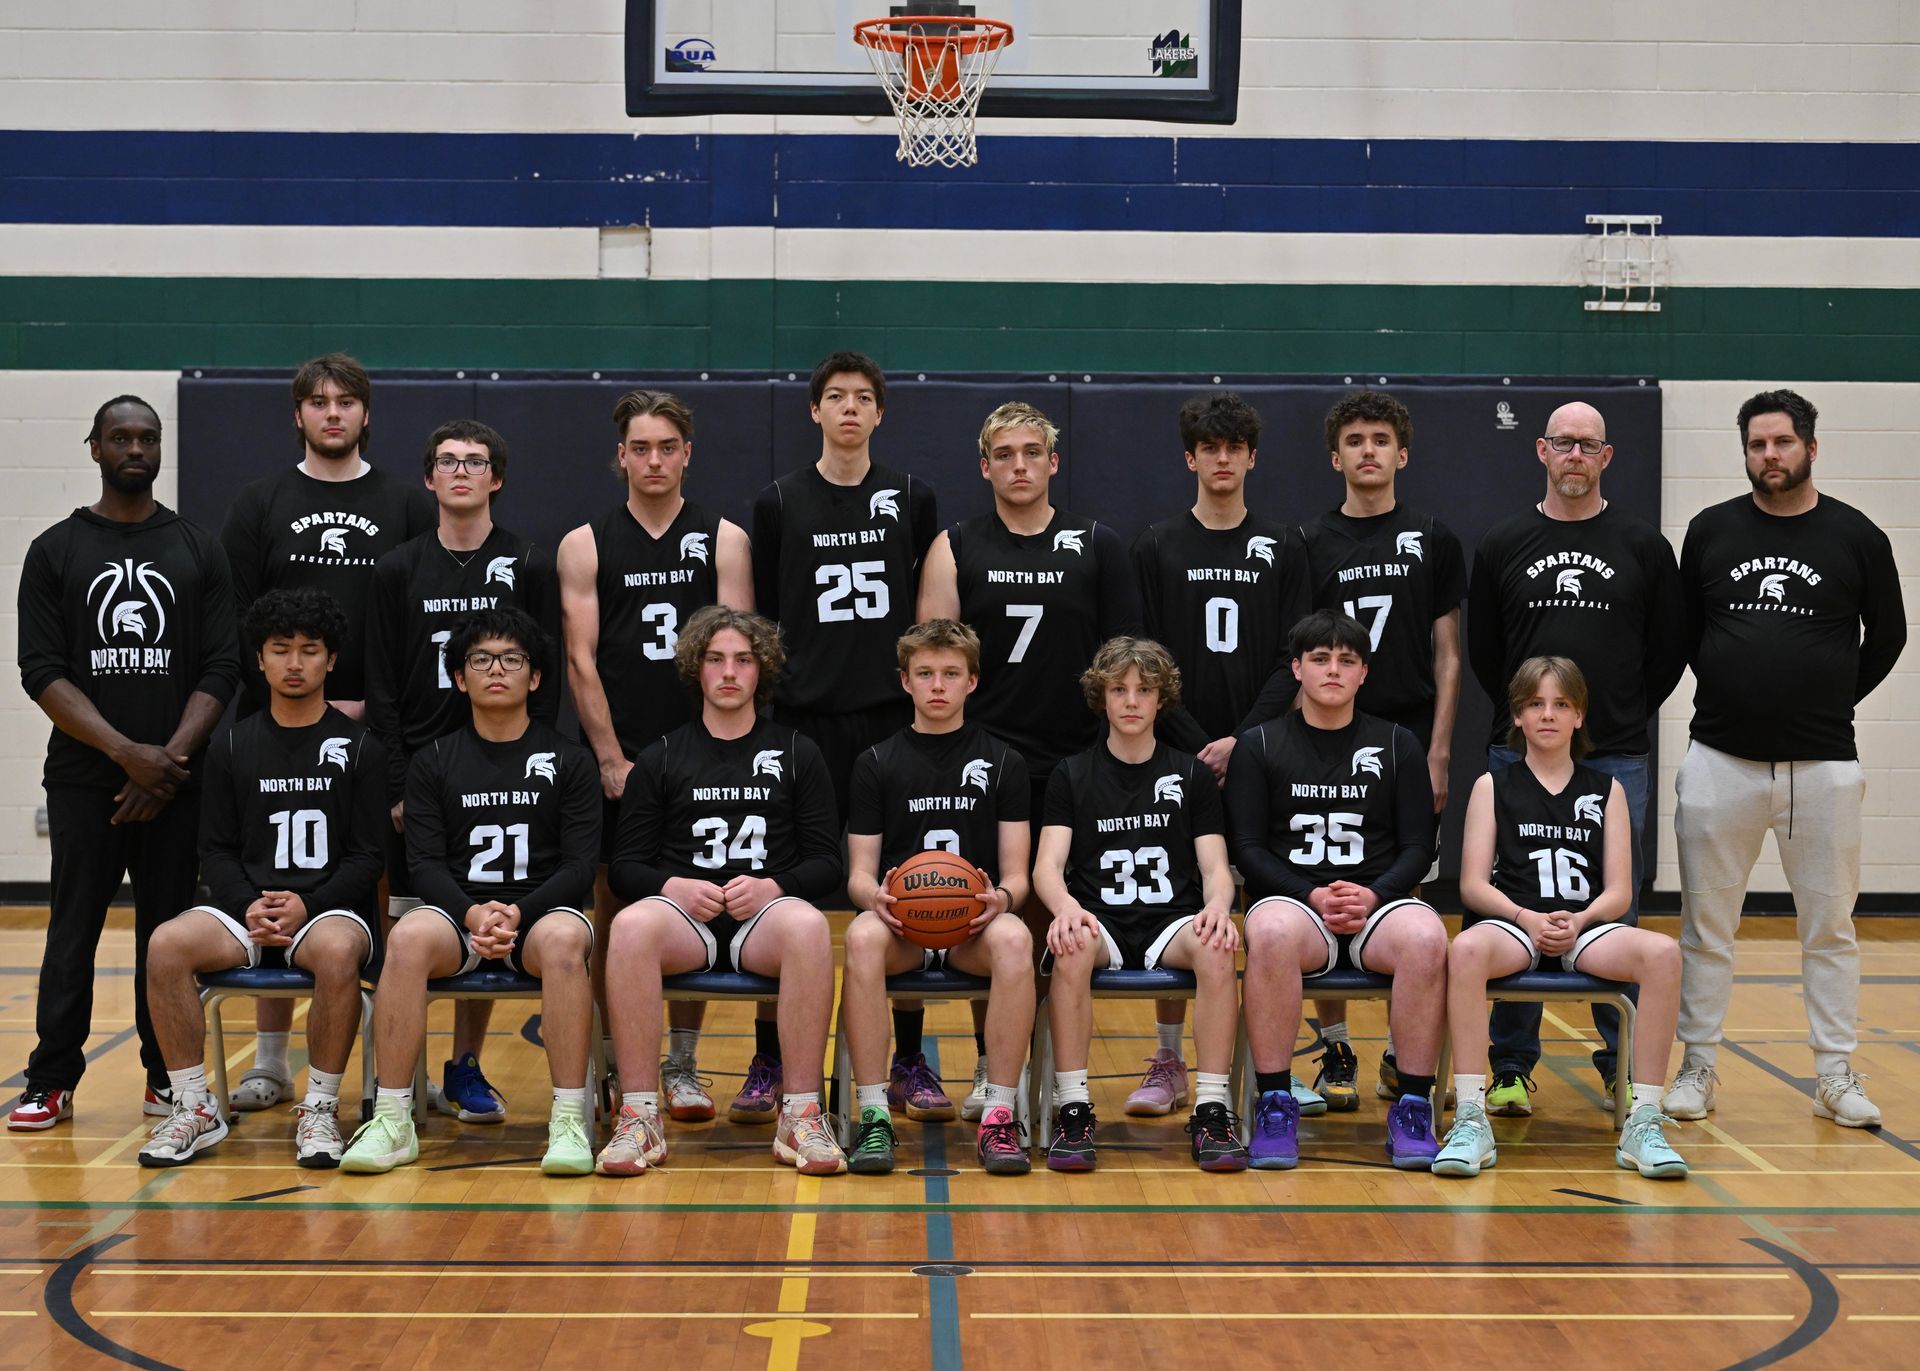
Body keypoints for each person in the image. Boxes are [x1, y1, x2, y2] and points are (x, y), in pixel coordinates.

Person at [1666, 390, 1906, 1129]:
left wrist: (1825, 698)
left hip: (1825, 765)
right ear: (1744, 452)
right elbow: (1687, 634)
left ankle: (1834, 1072)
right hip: (1720, 760)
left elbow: (1888, 638)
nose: (1769, 455)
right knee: (1707, 926)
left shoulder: (1857, 536)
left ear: (1810, 447)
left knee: (1829, 927)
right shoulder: (1709, 531)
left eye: (1782, 442)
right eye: (1756, 444)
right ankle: (1698, 1066)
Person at [9, 396, 240, 1130]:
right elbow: (41, 670)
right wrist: (125, 756)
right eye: (120, 437)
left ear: (160, 446)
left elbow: (222, 664)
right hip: (85, 781)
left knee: (165, 934)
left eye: (147, 437)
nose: (134, 448)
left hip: (178, 780)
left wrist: (166, 760)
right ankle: (50, 1078)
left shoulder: (199, 548)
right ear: (95, 448)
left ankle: (165, 1075)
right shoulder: (55, 550)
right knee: (73, 927)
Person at [219, 353, 434, 1113]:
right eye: (317, 402)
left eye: (346, 401)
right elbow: (244, 623)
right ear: (298, 416)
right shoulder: (259, 503)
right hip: (281, 721)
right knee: (273, 876)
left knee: (370, 895)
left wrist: (370, 715)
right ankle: (270, 1061)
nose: (332, 413)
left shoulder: (406, 502)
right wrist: (287, 711)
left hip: (375, 726)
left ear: (366, 414)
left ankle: (400, 1065)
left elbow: (409, 627)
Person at [919, 400, 1142, 1120]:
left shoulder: (1097, 543)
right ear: (985, 467)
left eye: (1032, 453)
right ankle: (996, 1066)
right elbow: (934, 657)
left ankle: (1056, 1073)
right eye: (1005, 454)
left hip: (1078, 758)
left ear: (1054, 462)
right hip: (986, 761)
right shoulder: (955, 545)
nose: (1020, 465)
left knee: (1063, 924)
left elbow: (1125, 657)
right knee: (991, 913)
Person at [1467, 401, 1685, 1116]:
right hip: (1517, 749)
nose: (1574, 455)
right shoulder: (1504, 541)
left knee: (1611, 904)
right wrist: (1534, 720)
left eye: (1588, 444)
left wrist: (1611, 716)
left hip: (1616, 753)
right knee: (1517, 895)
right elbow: (1487, 652)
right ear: (1541, 449)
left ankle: (1622, 1065)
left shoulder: (1644, 545)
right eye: (1563, 442)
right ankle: (1508, 1066)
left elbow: (1667, 652)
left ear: (1606, 457)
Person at [340, 608, 599, 1176]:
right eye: (481, 660)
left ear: (535, 677)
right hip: (460, 915)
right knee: (407, 938)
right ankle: (392, 1118)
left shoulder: (570, 761)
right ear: (459, 678)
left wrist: (518, 911)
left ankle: (569, 1119)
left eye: (512, 659)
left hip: (543, 914)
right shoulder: (432, 761)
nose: (496, 669)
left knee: (561, 942)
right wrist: (473, 911)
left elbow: (581, 865)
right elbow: (424, 862)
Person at [751, 354, 938, 1120]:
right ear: (814, 410)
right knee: (779, 886)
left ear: (880, 413)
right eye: (836, 397)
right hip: (800, 722)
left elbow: (927, 614)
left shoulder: (912, 498)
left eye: (864, 398)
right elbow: (760, 614)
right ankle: (768, 1056)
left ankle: (908, 1056)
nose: (850, 409)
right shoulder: (779, 502)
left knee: (906, 888)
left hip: (888, 721)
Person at [139, 589, 385, 1167]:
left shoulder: (361, 748)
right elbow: (216, 850)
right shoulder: (228, 744)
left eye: (309, 650)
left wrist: (309, 903)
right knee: (165, 943)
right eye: (280, 650)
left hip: (328, 908)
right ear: (260, 660)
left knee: (337, 950)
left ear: (331, 660)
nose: (294, 663)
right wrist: (249, 904)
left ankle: (320, 1110)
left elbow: (368, 856)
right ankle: (194, 1107)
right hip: (246, 907)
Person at [558, 390, 752, 1126]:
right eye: (640, 448)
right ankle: (615, 1059)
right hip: (620, 749)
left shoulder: (724, 538)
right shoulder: (587, 542)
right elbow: (580, 659)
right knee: (616, 902)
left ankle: (681, 1059)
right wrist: (610, 758)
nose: (654, 460)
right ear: (621, 456)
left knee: (699, 895)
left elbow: (740, 649)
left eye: (667, 446)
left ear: (687, 453)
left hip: (702, 754)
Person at [1270, 391, 1467, 1112]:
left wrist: (1439, 749)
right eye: (1354, 440)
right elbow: (1298, 650)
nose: (1369, 451)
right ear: (1335, 457)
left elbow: (1449, 655)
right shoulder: (1308, 540)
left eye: (1381, 439)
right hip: (1328, 728)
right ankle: (1338, 1043)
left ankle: (1400, 1049)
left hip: (1407, 732)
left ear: (1402, 453)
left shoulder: (1432, 537)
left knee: (1399, 889)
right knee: (1325, 873)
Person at [600, 607, 846, 1176]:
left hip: (764, 920)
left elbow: (827, 863)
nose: (729, 673)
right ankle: (639, 1119)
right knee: (632, 924)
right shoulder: (661, 757)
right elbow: (625, 869)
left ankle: (802, 1114)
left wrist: (774, 887)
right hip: (688, 922)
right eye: (715, 660)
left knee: (810, 925)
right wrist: (674, 887)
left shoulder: (797, 752)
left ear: (762, 671)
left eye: (743, 660)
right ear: (696, 669)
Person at [365, 419, 561, 1127]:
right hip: (419, 765)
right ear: (428, 477)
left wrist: (539, 770)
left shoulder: (529, 563)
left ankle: (466, 1065)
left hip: (506, 765)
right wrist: (393, 782)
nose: (460, 472)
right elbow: (381, 683)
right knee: (409, 927)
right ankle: (393, 1081)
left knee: (493, 902)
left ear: (496, 478)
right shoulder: (396, 569)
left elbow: (549, 672)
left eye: (475, 461)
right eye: (446, 460)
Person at [1128, 391, 1310, 1119]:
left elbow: (1293, 654)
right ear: (1191, 458)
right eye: (1210, 447)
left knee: (1269, 900)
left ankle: (1277, 1064)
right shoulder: (1157, 545)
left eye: (1235, 447)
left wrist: (1248, 738)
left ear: (1252, 457)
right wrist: (1196, 741)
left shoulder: (1283, 545)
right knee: (1185, 902)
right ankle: (1171, 1058)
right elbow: (1145, 658)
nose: (1223, 458)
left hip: (1263, 747)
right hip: (1181, 750)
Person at [1436, 656, 1687, 1180]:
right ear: (1519, 717)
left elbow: (1620, 891)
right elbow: (1473, 885)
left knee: (1663, 952)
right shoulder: (1492, 785)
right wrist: (1526, 917)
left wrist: (1581, 920)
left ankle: (1644, 1119)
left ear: (1579, 717)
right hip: (1517, 923)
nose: (1547, 715)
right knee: (1464, 950)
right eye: (1535, 704)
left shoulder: (1606, 789)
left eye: (1561, 704)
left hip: (1584, 929)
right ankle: (1470, 1115)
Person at [1229, 611, 1446, 1171]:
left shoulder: (1397, 743)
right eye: (1320, 659)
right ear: (1297, 668)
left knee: (1426, 935)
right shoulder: (1259, 744)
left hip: (1377, 901)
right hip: (1299, 904)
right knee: (1268, 930)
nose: (1333, 670)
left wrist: (1374, 895)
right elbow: (1247, 848)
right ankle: (1276, 1101)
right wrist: (1310, 894)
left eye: (1346, 661)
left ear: (1363, 673)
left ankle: (1414, 1105)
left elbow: (1420, 846)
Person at [1033, 638, 1245, 1174]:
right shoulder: (1071, 774)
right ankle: (1073, 1107)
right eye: (1119, 689)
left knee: (1219, 946)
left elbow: (1215, 867)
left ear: (1160, 699)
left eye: (1143, 690)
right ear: (1101, 697)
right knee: (1071, 947)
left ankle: (1213, 1108)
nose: (1131, 701)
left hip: (1169, 921)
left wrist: (1221, 905)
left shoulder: (1191, 775)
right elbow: (1046, 868)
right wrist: (1064, 908)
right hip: (1098, 919)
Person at [842, 620, 1034, 1176]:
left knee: (1016, 938)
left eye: (951, 674)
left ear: (973, 682)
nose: (938, 686)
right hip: (903, 926)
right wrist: (873, 898)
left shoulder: (1004, 763)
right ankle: (875, 1116)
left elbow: (1017, 876)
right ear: (904, 682)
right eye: (925, 674)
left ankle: (1000, 1113)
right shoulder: (875, 763)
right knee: (859, 936)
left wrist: (1000, 898)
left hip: (972, 926)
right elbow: (857, 873)